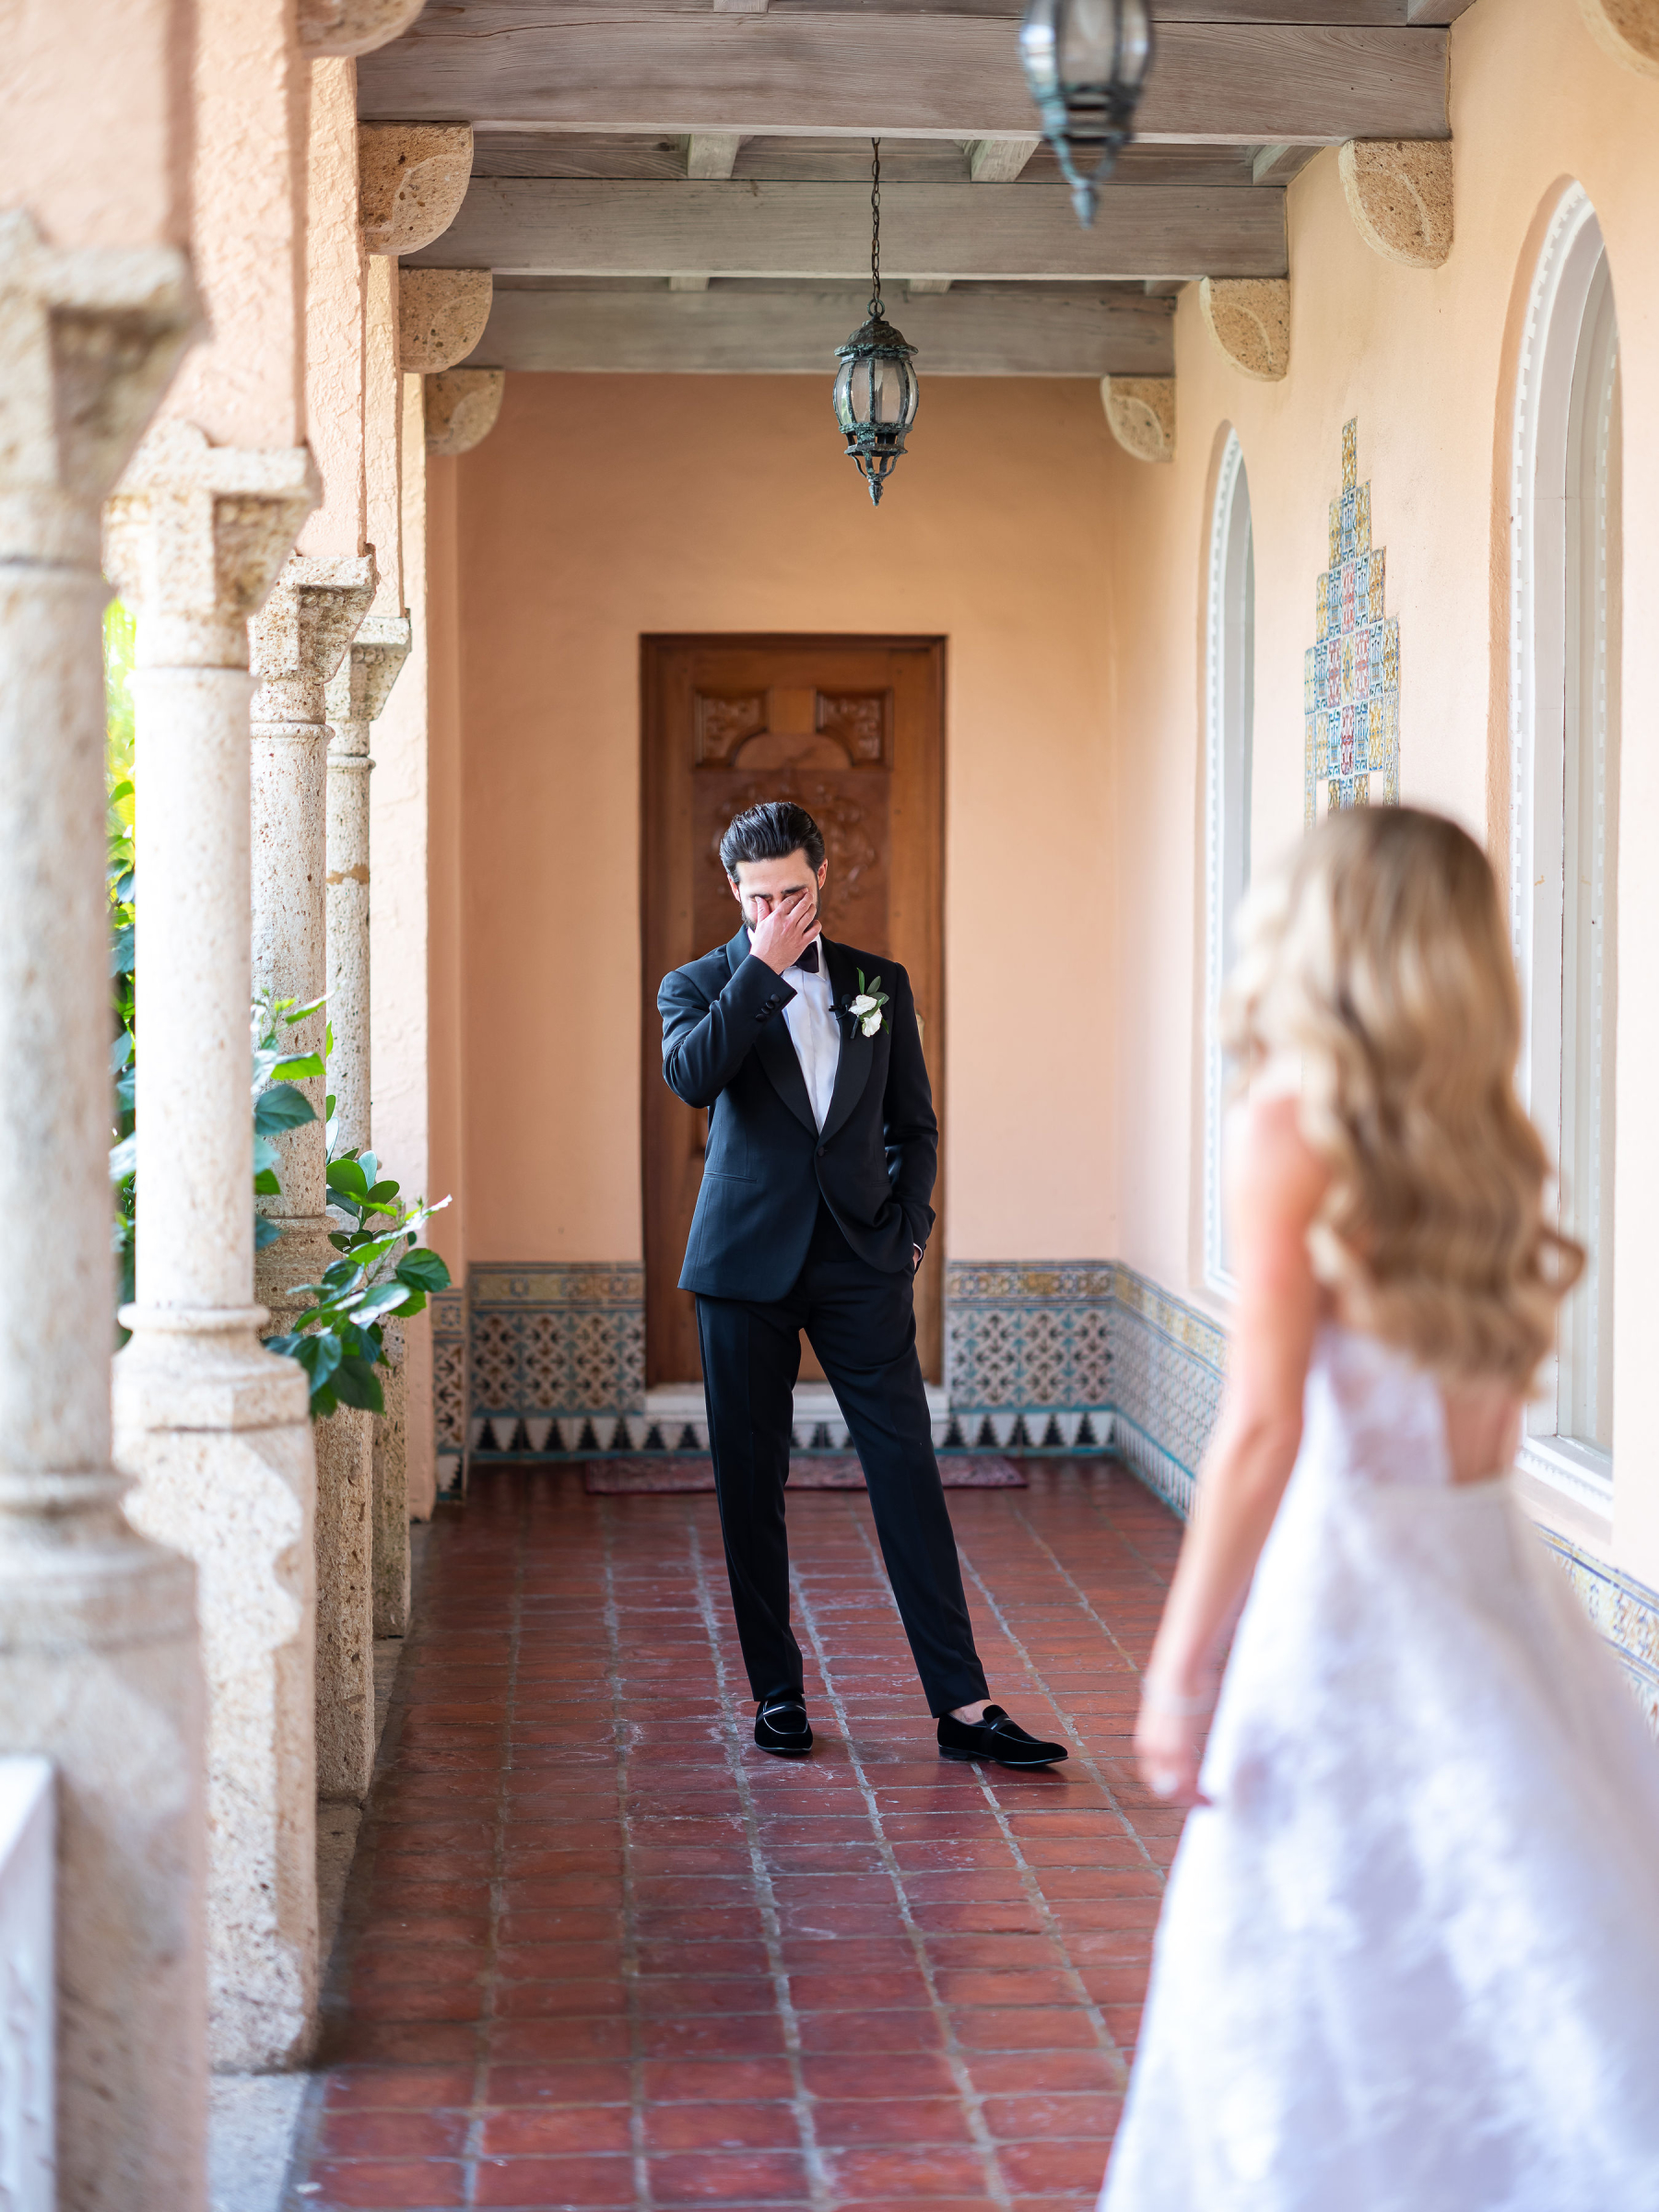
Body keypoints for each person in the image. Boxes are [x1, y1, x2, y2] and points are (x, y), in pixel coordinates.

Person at [1101, 806, 1659, 2210]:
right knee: (1530, 1966)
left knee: (1316, 1982)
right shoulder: (1489, 1144)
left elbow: (1263, 1430)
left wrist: (1177, 1672)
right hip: (1500, 1590)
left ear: (1322, 938)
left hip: (1354, 1605)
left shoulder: (1289, 1130)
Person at [658, 799, 1066, 1768]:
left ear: (824, 878)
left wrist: (911, 1232)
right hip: (743, 1269)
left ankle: (963, 1708)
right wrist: (759, 970)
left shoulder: (881, 984)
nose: (779, 912)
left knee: (906, 1472)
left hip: (861, 1263)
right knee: (751, 1484)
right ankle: (777, 1694)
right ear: (735, 893)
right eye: (760, 899)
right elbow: (691, 1078)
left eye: (793, 893)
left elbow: (914, 1125)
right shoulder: (699, 983)